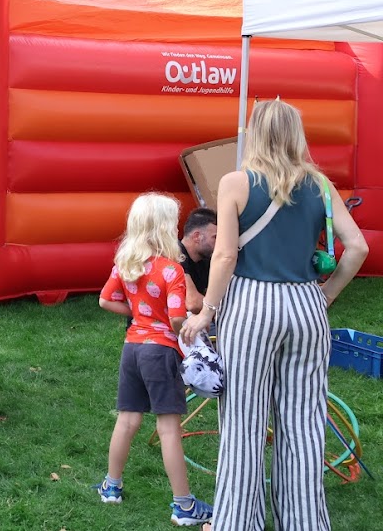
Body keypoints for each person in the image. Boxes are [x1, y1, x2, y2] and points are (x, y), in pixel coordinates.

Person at [180, 99, 368, 530]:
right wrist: (325, 295)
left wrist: (207, 311)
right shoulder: (320, 183)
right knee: (303, 422)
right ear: (297, 135)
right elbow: (357, 247)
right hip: (305, 305)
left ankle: (237, 523)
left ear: (255, 133)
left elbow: (225, 254)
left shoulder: (235, 182)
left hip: (250, 306)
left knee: (244, 423)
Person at [97, 193, 213, 526]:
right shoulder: (172, 270)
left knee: (127, 420)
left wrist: (137, 314)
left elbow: (106, 301)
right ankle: (184, 505)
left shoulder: (126, 263)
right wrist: (188, 326)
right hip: (161, 352)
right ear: (164, 227)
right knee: (169, 428)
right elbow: (178, 319)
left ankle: (111, 487)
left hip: (132, 349)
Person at [178, 208, 217, 314]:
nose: (219, 243)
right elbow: (193, 303)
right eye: (215, 237)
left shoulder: (205, 261)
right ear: (197, 237)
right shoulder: (175, 254)